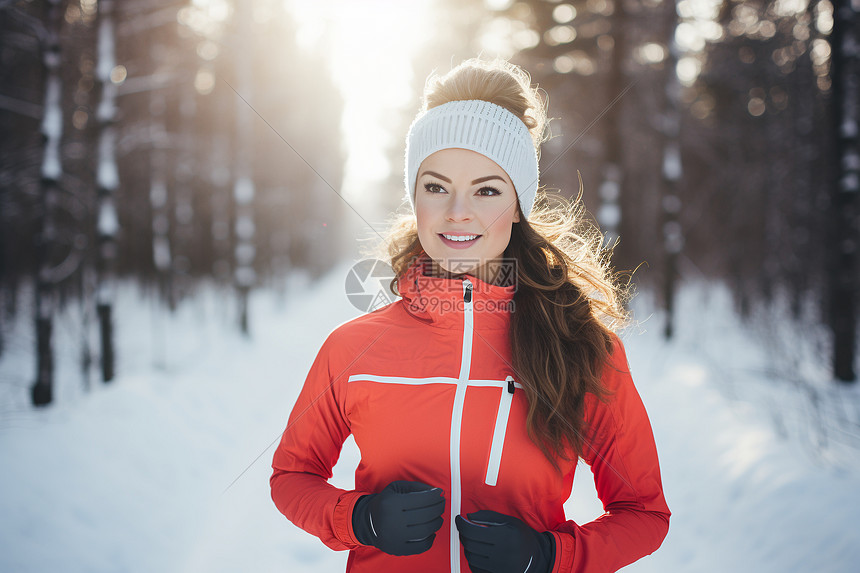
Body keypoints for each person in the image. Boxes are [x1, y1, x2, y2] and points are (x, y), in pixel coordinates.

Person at [270, 57, 670, 573]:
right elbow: (290, 477)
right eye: (436, 187)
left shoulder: (582, 350)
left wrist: (548, 556)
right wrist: (361, 520)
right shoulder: (352, 348)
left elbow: (644, 513)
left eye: (487, 190)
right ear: (414, 197)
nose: (458, 211)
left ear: (519, 204)